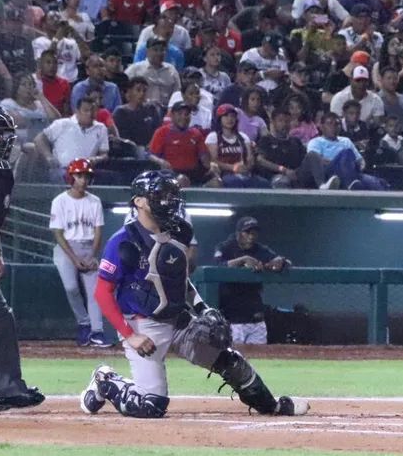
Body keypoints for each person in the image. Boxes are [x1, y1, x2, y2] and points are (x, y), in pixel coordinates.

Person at [79, 171, 310, 418]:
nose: (166, 201)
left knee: (231, 362)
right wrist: (129, 336)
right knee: (151, 405)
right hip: (143, 325)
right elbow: (102, 292)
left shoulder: (180, 234)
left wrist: (203, 309)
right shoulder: (123, 241)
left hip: (179, 320)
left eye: (169, 195)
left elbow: (179, 280)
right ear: (139, 201)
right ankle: (106, 380)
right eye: (159, 195)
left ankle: (271, 405)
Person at [0, 107, 46, 412]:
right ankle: (6, 386)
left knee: (0, 317)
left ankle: (6, 386)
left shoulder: (2, 171)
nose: (5, 140)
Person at [50, 158, 108, 348]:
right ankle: (84, 323)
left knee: (94, 292)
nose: (83, 179)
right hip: (66, 248)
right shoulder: (59, 201)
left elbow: (98, 231)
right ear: (71, 176)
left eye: (86, 176)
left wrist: (92, 255)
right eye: (79, 175)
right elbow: (58, 234)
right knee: (71, 288)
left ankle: (97, 331)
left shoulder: (94, 201)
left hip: (87, 246)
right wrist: (74, 258)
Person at [214, 217, 289, 345]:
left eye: (254, 233)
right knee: (232, 360)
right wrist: (243, 260)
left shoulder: (260, 249)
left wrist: (280, 261)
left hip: (255, 318)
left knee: (260, 359)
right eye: (247, 232)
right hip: (231, 318)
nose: (251, 236)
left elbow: (284, 262)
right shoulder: (226, 247)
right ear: (238, 234)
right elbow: (216, 266)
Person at [256, 108, 338, 190]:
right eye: (280, 121)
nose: (284, 124)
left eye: (287, 121)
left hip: (296, 176)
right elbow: (260, 160)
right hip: (277, 176)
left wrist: (334, 161)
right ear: (273, 123)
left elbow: (307, 158)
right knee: (281, 181)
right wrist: (283, 169)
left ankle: (322, 186)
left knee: (313, 155)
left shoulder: (295, 141)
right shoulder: (266, 140)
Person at [34, 97, 110, 184]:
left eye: (93, 111)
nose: (90, 114)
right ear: (77, 111)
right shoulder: (62, 124)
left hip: (86, 171)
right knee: (61, 176)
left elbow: (104, 154)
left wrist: (95, 159)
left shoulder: (101, 128)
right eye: (86, 110)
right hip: (62, 169)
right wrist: (48, 156)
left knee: (111, 177)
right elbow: (39, 139)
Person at [307, 112, 387, 190]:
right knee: (346, 152)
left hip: (352, 171)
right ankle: (350, 183)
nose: (334, 127)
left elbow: (360, 160)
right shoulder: (315, 141)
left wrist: (360, 166)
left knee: (378, 183)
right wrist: (342, 163)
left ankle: (352, 182)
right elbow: (316, 161)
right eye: (330, 123)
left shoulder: (346, 140)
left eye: (337, 124)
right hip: (331, 173)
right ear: (322, 127)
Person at [148, 102, 221, 188]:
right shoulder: (162, 132)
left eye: (186, 114)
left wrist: (211, 165)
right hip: (171, 173)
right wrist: (161, 161)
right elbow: (151, 155)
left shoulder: (196, 133)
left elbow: (205, 159)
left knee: (217, 182)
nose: (183, 117)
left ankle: (202, 194)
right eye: (179, 114)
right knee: (182, 180)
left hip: (193, 172)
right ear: (172, 115)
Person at [207, 104, 269, 189]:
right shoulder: (213, 137)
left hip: (244, 173)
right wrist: (233, 168)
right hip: (224, 174)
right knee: (234, 181)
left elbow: (249, 159)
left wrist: (248, 166)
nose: (230, 119)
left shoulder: (243, 137)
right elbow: (213, 160)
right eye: (226, 116)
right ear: (219, 119)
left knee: (265, 184)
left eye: (232, 116)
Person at [125, 38, 181, 108]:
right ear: (147, 51)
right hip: (141, 110)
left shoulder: (171, 70)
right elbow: (125, 91)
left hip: (166, 111)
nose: (159, 53)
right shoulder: (135, 69)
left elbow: (177, 94)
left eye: (162, 50)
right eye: (155, 50)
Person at [112, 77, 161, 151]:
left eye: (144, 91)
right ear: (129, 91)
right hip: (127, 152)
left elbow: (158, 131)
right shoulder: (120, 112)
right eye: (138, 90)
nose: (142, 93)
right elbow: (118, 137)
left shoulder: (151, 109)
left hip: (150, 150)